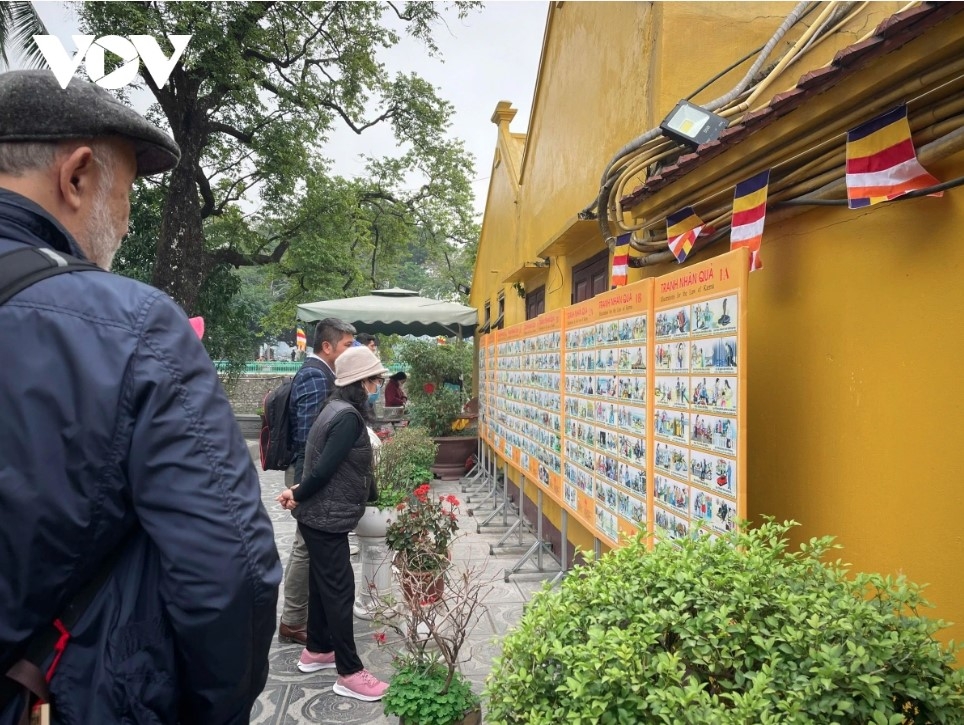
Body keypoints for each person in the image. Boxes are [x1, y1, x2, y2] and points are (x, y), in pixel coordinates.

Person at [0, 70, 281, 723]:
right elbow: (229, 573)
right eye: (123, 192)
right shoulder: (134, 331)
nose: (124, 224)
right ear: (75, 177)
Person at [276, 346, 390, 702]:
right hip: (325, 517)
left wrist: (297, 491)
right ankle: (350, 672)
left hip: (319, 515)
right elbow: (323, 469)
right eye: (374, 379)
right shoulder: (348, 418)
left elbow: (321, 465)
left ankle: (318, 649)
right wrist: (300, 493)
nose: (378, 386)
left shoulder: (333, 409)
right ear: (359, 383)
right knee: (340, 591)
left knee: (322, 585)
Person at [278, 318, 356, 645]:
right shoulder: (314, 375)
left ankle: (301, 614)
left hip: (310, 472)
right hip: (306, 471)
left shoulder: (324, 373)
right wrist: (305, 486)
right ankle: (293, 619)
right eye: (346, 347)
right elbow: (313, 436)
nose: (350, 353)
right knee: (304, 546)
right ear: (327, 347)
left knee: (309, 544)